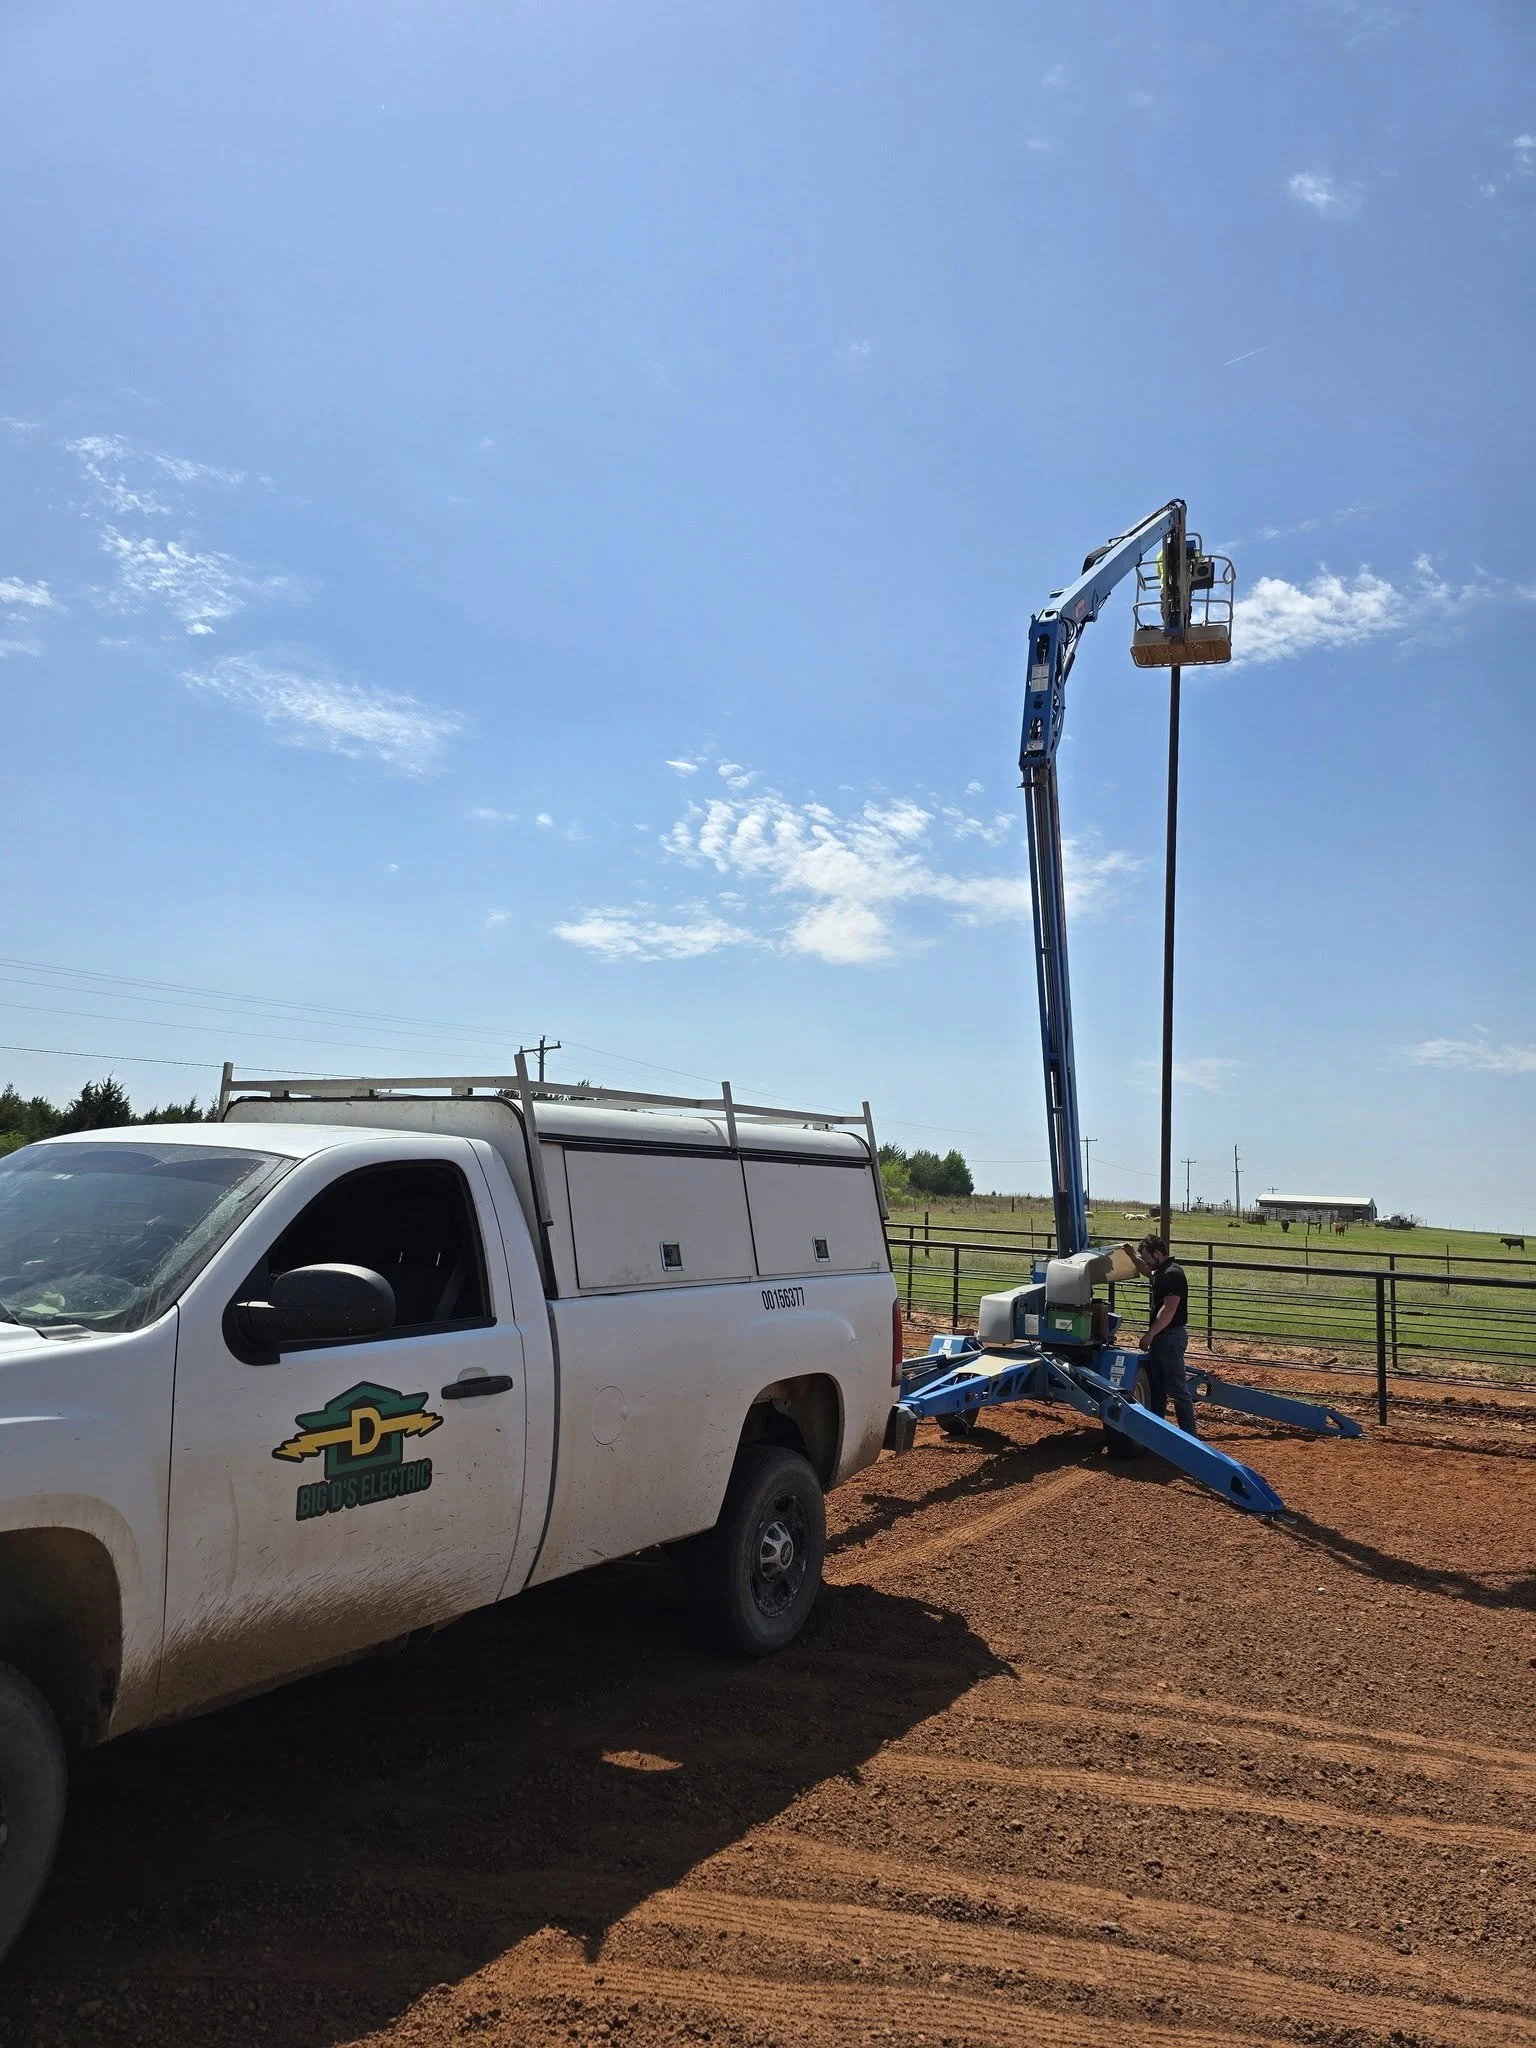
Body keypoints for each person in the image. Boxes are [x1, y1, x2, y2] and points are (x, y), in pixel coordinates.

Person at [1136, 1233, 1198, 1437]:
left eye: (1146, 1257)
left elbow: (1169, 1309)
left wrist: (1150, 1334)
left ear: (1157, 1254)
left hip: (1169, 1336)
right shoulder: (1164, 1271)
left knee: (1178, 1389)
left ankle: (1190, 1437)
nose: (1145, 1261)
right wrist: (1131, 1256)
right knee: (1159, 1387)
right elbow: (1148, 1272)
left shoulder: (1171, 1275)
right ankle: (1159, 1432)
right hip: (1165, 1337)